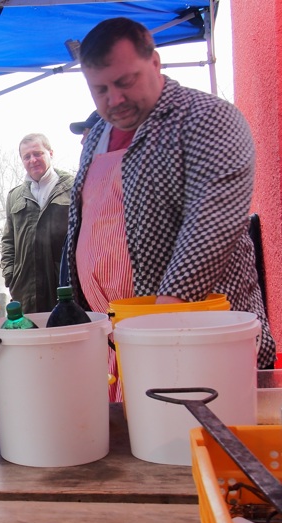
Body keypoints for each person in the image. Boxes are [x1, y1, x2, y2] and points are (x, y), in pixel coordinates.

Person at [66, 17, 276, 386]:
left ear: (155, 62)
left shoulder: (207, 117)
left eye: (125, 82)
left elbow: (212, 223)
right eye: (100, 89)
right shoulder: (96, 135)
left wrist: (159, 325)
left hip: (198, 338)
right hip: (119, 340)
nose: (114, 100)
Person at [1, 133, 74, 313]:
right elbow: (8, 240)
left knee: (67, 327)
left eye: (38, 153)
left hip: (66, 286)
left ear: (50, 153)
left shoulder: (73, 188)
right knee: (31, 330)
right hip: (26, 289)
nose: (32, 160)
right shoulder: (15, 196)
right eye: (27, 156)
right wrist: (10, 274)